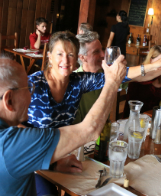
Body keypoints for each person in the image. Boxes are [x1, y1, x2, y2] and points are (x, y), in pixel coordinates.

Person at [0, 55, 126, 195]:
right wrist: (113, 82)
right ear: (9, 100)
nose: (32, 94)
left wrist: (53, 163)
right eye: (29, 88)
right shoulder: (10, 144)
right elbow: (90, 130)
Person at [24, 31, 161, 129]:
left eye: (70, 54)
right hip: (33, 158)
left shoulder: (79, 81)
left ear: (76, 58)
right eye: (59, 54)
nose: (65, 60)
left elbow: (123, 74)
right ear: (49, 56)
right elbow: (8, 122)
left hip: (67, 152)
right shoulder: (33, 83)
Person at [73, 33, 161, 124]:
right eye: (96, 52)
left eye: (102, 49)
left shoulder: (105, 72)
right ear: (82, 57)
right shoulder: (74, 82)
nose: (103, 54)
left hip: (104, 131)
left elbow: (141, 77)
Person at [123, 45, 161, 117]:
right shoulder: (139, 75)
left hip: (151, 118)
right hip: (134, 118)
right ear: (151, 60)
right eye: (160, 61)